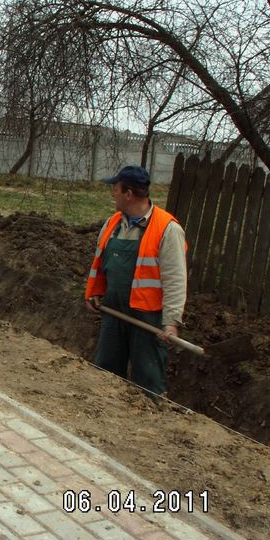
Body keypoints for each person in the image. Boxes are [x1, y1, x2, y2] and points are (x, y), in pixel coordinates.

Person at [84, 165, 187, 396]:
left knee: (147, 380)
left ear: (128, 193)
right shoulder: (112, 224)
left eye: (116, 188)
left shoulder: (167, 229)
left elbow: (175, 279)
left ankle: (150, 412)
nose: (113, 193)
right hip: (114, 311)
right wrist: (94, 293)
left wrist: (171, 322)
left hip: (147, 319)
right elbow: (100, 264)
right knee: (105, 374)